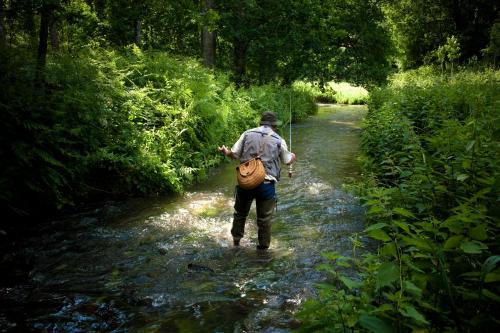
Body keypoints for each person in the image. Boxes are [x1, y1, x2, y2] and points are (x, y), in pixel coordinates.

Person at [218, 111, 296, 250]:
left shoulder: (247, 134)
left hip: (245, 182)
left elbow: (234, 155)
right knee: (264, 220)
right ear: (274, 126)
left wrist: (226, 151)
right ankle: (263, 250)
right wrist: (293, 157)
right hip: (266, 185)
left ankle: (236, 242)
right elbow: (286, 160)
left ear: (260, 123)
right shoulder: (279, 140)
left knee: (240, 214)